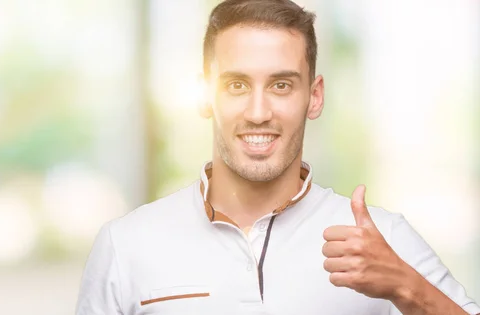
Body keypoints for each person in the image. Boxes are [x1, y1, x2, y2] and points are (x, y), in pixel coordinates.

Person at [75, 0, 479, 314]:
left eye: (281, 85)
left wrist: (408, 288)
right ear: (205, 95)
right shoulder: (125, 245)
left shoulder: (381, 241)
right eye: (236, 85)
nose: (257, 111)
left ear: (314, 96)